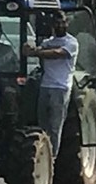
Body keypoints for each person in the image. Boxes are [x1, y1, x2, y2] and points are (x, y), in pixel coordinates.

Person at [23, 10, 79, 158]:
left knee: (55, 126)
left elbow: (57, 53)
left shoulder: (71, 42)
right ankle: (43, 155)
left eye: (62, 22)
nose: (60, 25)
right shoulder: (47, 42)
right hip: (45, 86)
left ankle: (52, 158)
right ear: (52, 25)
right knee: (42, 126)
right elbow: (39, 52)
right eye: (57, 23)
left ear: (67, 23)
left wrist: (35, 52)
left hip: (61, 88)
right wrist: (29, 49)